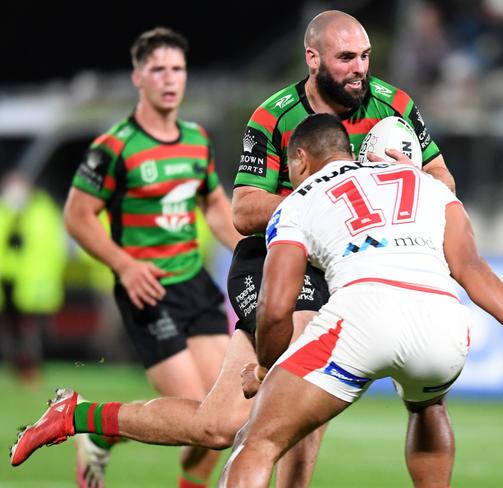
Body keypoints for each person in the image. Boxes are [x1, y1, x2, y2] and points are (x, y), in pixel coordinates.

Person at [10, 10, 455, 487]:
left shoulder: (395, 108)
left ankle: (81, 416)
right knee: (304, 386)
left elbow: (442, 182)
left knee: (217, 425)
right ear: (312, 58)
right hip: (277, 261)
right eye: (346, 57)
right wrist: (332, 197)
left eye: (365, 56)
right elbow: (243, 211)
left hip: (350, 264)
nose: (360, 68)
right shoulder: (273, 115)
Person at [219, 113, 503, 487]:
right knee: (428, 404)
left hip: (364, 316)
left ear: (299, 159)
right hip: (443, 324)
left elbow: (276, 307)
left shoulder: (296, 202)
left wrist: (265, 370)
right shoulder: (427, 183)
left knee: (257, 441)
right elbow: (470, 265)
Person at [62, 27, 241, 488]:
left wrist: (248, 250)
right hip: (148, 292)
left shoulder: (196, 140)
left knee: (224, 419)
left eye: (177, 69)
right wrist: (123, 264)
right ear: (137, 77)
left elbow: (216, 206)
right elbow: (78, 216)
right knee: (198, 419)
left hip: (196, 286)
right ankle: (93, 424)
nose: (169, 79)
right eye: (157, 69)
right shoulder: (115, 147)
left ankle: (101, 438)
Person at [0, 170, 66, 385]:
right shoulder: (6, 211)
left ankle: (31, 368)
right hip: (8, 279)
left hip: (32, 282)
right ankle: (15, 366)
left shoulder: (42, 212)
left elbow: (47, 248)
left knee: (30, 329)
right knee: (11, 328)